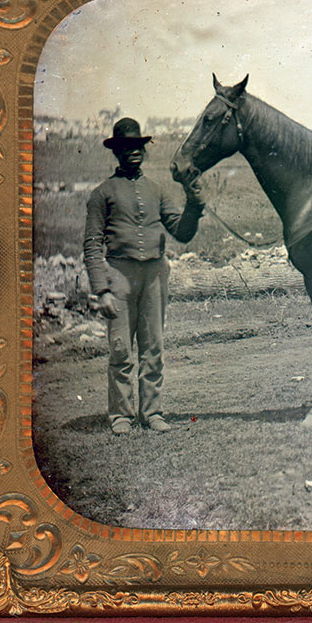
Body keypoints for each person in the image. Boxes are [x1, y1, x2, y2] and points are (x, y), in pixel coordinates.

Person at [83, 117, 205, 434]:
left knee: (153, 346)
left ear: (143, 149)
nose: (133, 151)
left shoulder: (156, 190)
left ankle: (152, 412)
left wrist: (194, 204)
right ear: (117, 152)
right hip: (119, 276)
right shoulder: (102, 194)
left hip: (154, 275)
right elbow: (92, 246)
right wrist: (102, 290)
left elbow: (182, 232)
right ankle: (121, 416)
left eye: (138, 146)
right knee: (121, 349)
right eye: (126, 147)